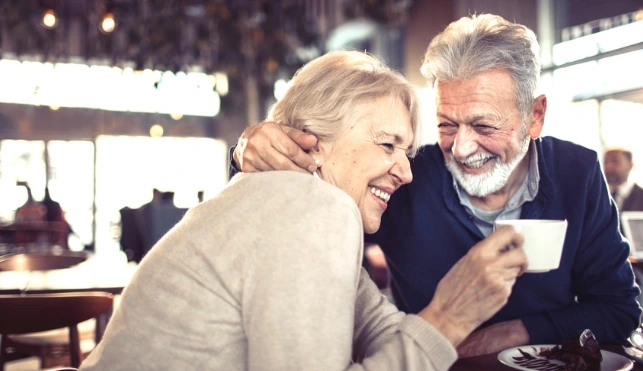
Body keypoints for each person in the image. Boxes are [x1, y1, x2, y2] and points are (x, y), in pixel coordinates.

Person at [81, 51, 528, 371]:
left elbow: (378, 325)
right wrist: (447, 317)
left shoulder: (291, 200)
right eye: (387, 144)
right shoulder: (316, 207)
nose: (406, 172)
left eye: (406, 152)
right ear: (310, 140)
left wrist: (449, 323)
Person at [229, 14, 642, 357]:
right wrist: (249, 151)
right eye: (447, 125)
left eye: (483, 125)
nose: (461, 148)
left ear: (535, 116)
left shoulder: (577, 170)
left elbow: (620, 308)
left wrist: (509, 333)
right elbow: (300, 207)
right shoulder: (407, 175)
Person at [604, 147, 643, 212]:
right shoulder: (597, 195)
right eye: (605, 162)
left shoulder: (641, 196)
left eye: (615, 161)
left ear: (630, 165)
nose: (609, 166)